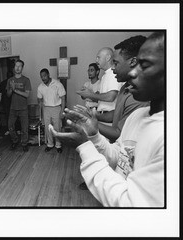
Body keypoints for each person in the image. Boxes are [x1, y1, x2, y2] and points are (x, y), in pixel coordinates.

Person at [50, 32, 165, 207]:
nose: (134, 72)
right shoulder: (137, 116)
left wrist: (84, 146)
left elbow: (131, 204)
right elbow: (119, 156)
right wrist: (94, 134)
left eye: (145, 65)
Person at [77, 47, 122, 116]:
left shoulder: (114, 73)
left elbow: (110, 97)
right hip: (101, 113)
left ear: (108, 58)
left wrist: (89, 94)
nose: (96, 60)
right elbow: (100, 99)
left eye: (98, 57)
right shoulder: (104, 76)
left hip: (109, 115)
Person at [37, 68, 66, 153]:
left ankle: (58, 145)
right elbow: (39, 99)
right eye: (41, 77)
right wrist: (40, 105)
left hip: (57, 108)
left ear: (48, 75)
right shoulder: (40, 87)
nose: (43, 78)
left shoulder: (57, 84)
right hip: (46, 108)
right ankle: (50, 144)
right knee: (48, 128)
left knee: (57, 128)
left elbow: (63, 98)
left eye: (45, 76)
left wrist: (62, 111)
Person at [6, 59, 32, 152]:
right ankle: (15, 141)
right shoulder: (10, 80)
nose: (17, 68)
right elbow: (8, 95)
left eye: (19, 66)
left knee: (24, 128)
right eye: (16, 66)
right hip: (13, 108)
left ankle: (24, 143)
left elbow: (27, 95)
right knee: (10, 126)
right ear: (14, 68)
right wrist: (10, 89)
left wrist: (15, 90)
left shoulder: (26, 80)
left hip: (23, 108)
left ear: (22, 68)